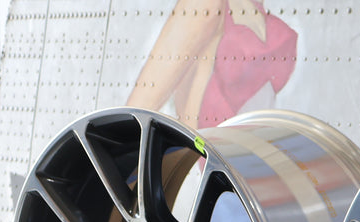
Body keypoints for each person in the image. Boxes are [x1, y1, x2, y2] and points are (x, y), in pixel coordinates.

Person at [127, 0, 297, 127]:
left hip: (247, 155)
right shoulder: (204, 6)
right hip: (214, 154)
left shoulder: (262, 16)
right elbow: (139, 108)